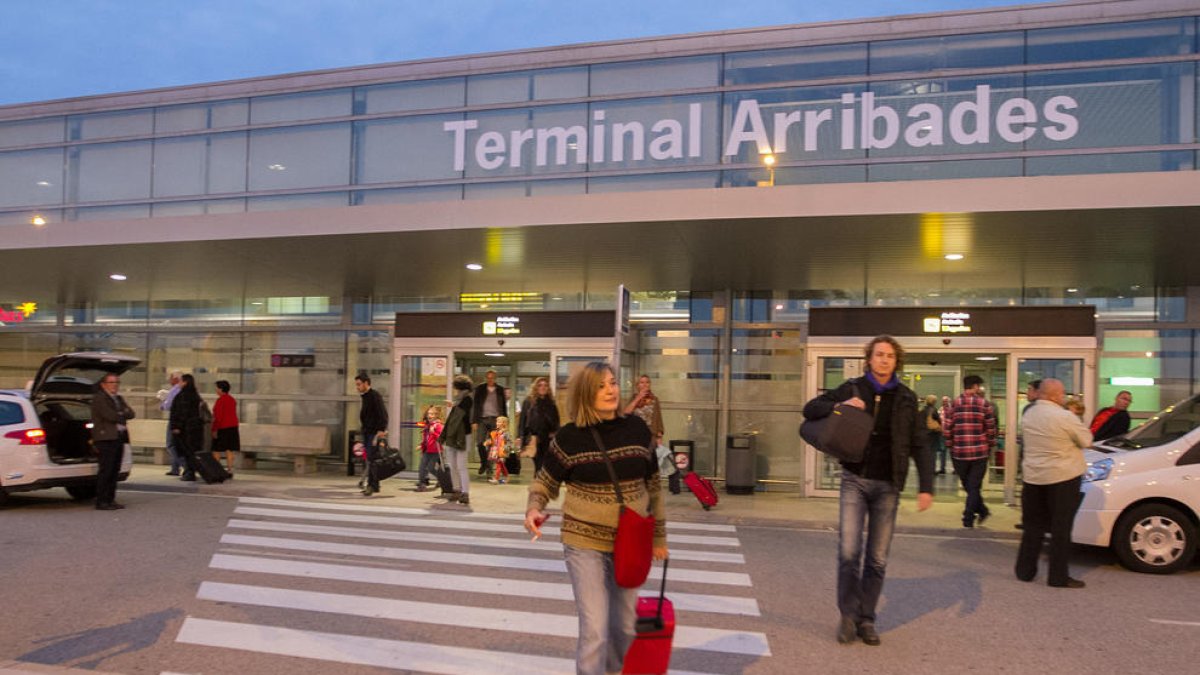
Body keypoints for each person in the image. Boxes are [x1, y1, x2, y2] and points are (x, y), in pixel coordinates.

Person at [524, 362, 667, 675]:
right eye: (601, 386)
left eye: (613, 383)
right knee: (595, 629)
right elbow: (545, 482)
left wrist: (659, 537)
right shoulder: (569, 437)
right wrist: (534, 508)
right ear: (586, 393)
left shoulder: (637, 430)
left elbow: (654, 487)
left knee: (624, 627)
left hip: (630, 542)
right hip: (584, 542)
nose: (610, 390)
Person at [801, 335, 933, 647]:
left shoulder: (906, 398)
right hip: (855, 480)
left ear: (896, 361)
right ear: (869, 359)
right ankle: (848, 615)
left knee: (877, 558)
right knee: (849, 552)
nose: (884, 360)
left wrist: (926, 487)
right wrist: (840, 404)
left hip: (889, 485)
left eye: (890, 355)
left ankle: (867, 618)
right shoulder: (853, 388)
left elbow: (919, 444)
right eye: (879, 354)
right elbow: (810, 408)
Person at [1015, 378, 1092, 588]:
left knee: (1032, 527)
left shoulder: (1028, 414)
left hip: (1033, 478)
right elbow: (1086, 440)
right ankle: (1058, 577)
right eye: (1063, 393)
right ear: (1055, 395)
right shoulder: (1065, 416)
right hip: (1062, 477)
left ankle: (1025, 571)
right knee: (1061, 529)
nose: (1064, 396)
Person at [943, 375, 998, 528]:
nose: (979, 389)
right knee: (974, 486)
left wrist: (950, 445)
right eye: (978, 386)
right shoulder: (985, 404)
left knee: (968, 485)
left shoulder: (954, 404)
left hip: (959, 452)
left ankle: (972, 514)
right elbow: (991, 428)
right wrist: (990, 444)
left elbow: (947, 429)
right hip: (979, 452)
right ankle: (977, 512)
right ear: (974, 386)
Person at [90, 373, 135, 510]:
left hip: (119, 437)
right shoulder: (100, 398)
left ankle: (110, 499)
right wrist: (121, 413)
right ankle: (102, 500)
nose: (115, 385)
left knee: (115, 469)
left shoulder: (118, 398)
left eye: (117, 382)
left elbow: (131, 413)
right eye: (111, 382)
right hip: (106, 438)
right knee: (107, 470)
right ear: (103, 385)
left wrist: (121, 413)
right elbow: (110, 415)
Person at [624, 374, 670, 490]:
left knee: (649, 461)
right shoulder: (633, 398)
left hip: (650, 436)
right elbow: (626, 412)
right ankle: (637, 485)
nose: (645, 385)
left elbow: (658, 418)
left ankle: (649, 486)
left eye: (647, 382)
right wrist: (638, 398)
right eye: (642, 382)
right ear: (637, 385)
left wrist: (659, 436)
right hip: (635, 436)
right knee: (637, 462)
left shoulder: (654, 399)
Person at [438, 375, 473, 504]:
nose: (455, 390)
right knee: (453, 465)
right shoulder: (459, 401)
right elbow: (452, 419)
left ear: (459, 387)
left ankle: (465, 492)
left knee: (461, 466)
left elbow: (458, 418)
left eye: (456, 388)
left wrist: (453, 405)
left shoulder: (467, 400)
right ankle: (457, 490)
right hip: (454, 436)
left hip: (462, 436)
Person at [518, 376, 560, 475]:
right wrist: (520, 437)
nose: (543, 387)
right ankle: (538, 480)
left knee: (544, 463)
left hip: (547, 437)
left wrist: (555, 433)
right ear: (536, 387)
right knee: (538, 463)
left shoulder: (551, 403)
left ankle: (539, 481)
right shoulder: (529, 401)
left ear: (548, 388)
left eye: (545, 385)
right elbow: (522, 421)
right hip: (533, 437)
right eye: (540, 385)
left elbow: (556, 421)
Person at [355, 373, 389, 496]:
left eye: (359, 384)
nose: (357, 387)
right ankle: (374, 485)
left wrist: (381, 430)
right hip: (368, 431)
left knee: (372, 459)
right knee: (371, 459)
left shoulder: (374, 396)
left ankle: (371, 485)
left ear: (366, 383)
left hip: (374, 433)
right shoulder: (365, 396)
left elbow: (383, 414)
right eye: (356, 385)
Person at [169, 374, 204, 482]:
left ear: (185, 382)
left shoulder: (183, 396)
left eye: (180, 381)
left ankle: (189, 472)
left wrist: (176, 426)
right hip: (195, 429)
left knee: (185, 451)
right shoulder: (195, 395)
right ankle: (190, 471)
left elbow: (181, 412)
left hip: (185, 429)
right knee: (191, 451)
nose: (179, 383)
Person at [472, 370, 507, 476]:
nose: (490, 379)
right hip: (482, 419)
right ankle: (484, 463)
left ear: (495, 378)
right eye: (488, 377)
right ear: (486, 378)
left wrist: (504, 422)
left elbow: (503, 406)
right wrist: (474, 421)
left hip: (496, 420)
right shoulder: (480, 388)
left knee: (493, 445)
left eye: (492, 377)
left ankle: (489, 468)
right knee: (480, 442)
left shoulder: (500, 389)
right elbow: (475, 405)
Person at [157, 371, 184, 476]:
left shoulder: (175, 389)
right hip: (182, 420)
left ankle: (185, 465)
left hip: (174, 420)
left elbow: (168, 405)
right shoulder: (182, 389)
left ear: (176, 379)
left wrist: (162, 403)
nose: (169, 380)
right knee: (177, 444)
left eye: (171, 377)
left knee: (171, 444)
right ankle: (175, 468)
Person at [211, 380, 240, 478]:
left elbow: (218, 417)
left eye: (216, 387)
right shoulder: (232, 399)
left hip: (222, 427)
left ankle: (216, 469)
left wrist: (214, 429)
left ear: (221, 389)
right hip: (233, 427)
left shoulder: (220, 400)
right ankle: (230, 469)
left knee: (216, 449)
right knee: (229, 449)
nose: (215, 389)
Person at [416, 405, 444, 492]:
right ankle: (422, 484)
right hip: (427, 450)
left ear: (436, 415)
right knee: (422, 467)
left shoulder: (438, 425)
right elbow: (426, 439)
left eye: (431, 414)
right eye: (428, 414)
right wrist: (421, 445)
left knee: (430, 468)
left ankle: (441, 479)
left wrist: (433, 433)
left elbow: (441, 438)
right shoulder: (428, 426)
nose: (429, 416)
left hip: (435, 451)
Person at [921, 394, 946, 475]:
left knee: (926, 452)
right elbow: (938, 421)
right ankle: (932, 468)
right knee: (933, 452)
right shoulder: (933, 410)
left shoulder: (923, 409)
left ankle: (925, 468)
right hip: (933, 434)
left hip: (925, 433)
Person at [486, 416, 512, 484]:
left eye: (499, 422)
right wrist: (489, 442)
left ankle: (496, 479)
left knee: (498, 464)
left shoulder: (506, 433)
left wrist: (505, 448)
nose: (497, 423)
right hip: (496, 451)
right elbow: (495, 441)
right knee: (501, 464)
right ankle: (507, 476)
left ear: (504, 424)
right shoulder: (496, 432)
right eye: (497, 422)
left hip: (503, 451)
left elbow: (509, 442)